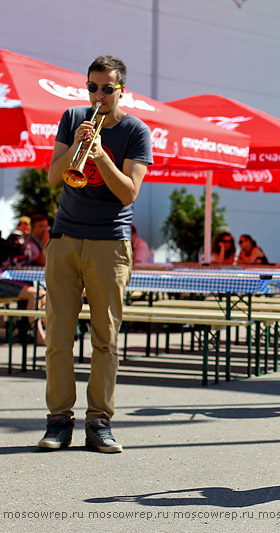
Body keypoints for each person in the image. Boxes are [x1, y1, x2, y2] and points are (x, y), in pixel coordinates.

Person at [37, 55, 152, 453]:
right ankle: (58, 421)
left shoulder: (137, 131)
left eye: (107, 88)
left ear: (122, 91)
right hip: (66, 238)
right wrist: (78, 147)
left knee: (105, 339)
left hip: (109, 243)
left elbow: (128, 192)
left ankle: (99, 421)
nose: (98, 95)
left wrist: (100, 153)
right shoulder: (72, 119)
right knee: (58, 337)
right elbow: (54, 177)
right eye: (92, 87)